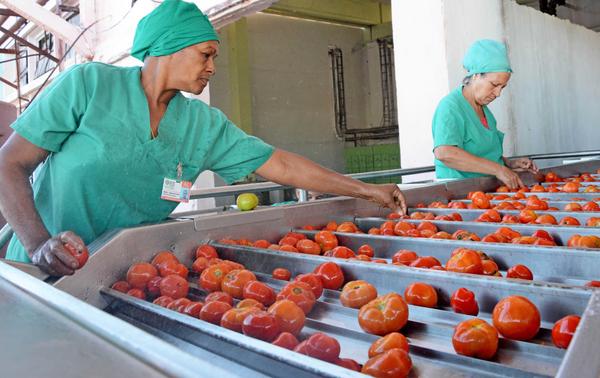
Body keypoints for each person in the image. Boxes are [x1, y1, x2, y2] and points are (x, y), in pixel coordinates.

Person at [0, 0, 405, 277]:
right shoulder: (88, 86)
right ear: (168, 48)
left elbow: (281, 164)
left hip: (122, 276)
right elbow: (9, 164)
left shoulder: (202, 125)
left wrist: (367, 191)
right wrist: (38, 244)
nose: (212, 66)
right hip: (41, 273)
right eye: (205, 54)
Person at [432, 39, 538, 189]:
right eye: (494, 85)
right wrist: (498, 169)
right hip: (461, 196)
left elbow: (480, 153)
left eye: (503, 87)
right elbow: (445, 153)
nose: (498, 93)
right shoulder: (450, 107)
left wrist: (508, 163)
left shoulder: (485, 112)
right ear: (476, 75)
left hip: (487, 193)